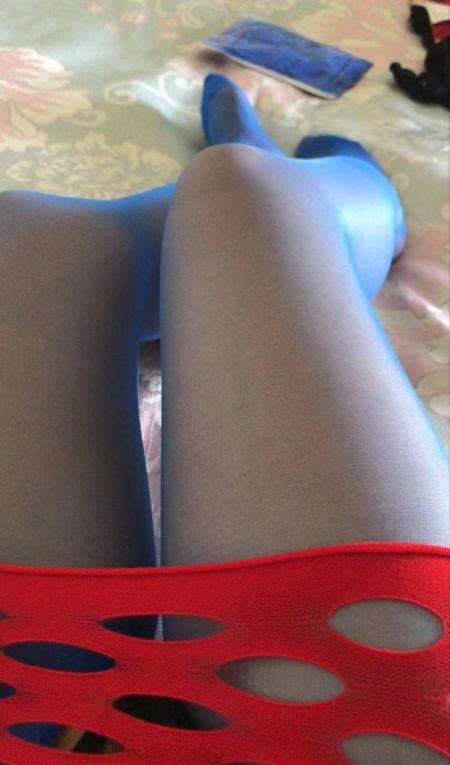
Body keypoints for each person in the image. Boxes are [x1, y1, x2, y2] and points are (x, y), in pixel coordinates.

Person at [0, 75, 448, 763]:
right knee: (242, 189)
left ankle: (203, 216)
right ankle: (326, 191)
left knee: (29, 237)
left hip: (32, 670)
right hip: (363, 709)